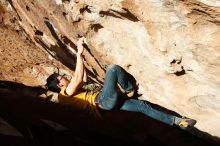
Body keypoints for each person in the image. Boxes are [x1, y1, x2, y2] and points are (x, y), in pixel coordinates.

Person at [46, 37, 196, 129]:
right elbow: (77, 78)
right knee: (112, 69)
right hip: (103, 101)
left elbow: (82, 79)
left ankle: (178, 121)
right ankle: (129, 89)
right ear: (59, 84)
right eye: (61, 77)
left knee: (142, 106)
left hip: (107, 106)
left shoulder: (69, 94)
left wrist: (82, 56)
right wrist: (78, 53)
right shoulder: (63, 95)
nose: (65, 77)